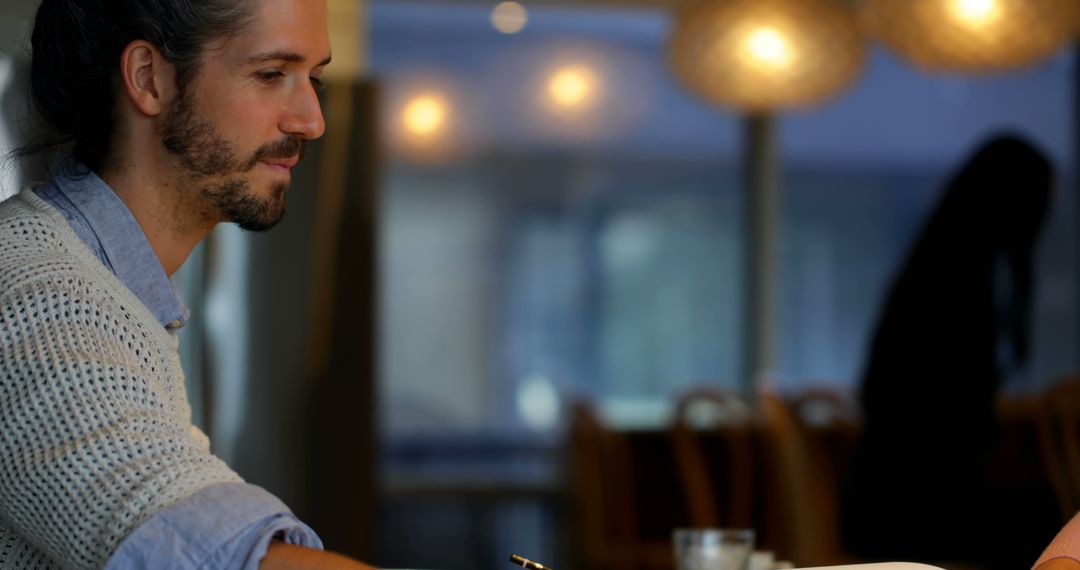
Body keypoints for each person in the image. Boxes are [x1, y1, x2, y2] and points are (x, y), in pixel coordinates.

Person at [0, 1, 374, 568]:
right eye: (272, 74)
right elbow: (211, 554)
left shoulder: (114, 291)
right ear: (149, 79)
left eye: (314, 78)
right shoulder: (35, 292)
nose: (312, 120)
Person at [840, 134, 1058, 569]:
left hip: (889, 496)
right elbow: (946, 420)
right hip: (909, 506)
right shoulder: (958, 284)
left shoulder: (941, 265)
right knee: (1051, 518)